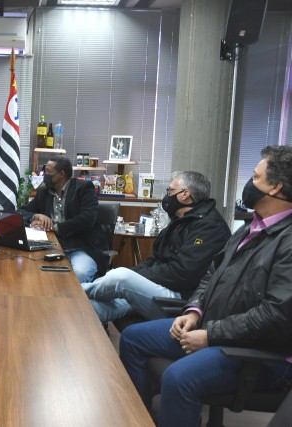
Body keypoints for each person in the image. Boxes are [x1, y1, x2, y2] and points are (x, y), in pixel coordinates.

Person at [119, 146, 292, 427]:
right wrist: (194, 311)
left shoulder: (287, 240)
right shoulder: (250, 228)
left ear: (275, 187)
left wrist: (211, 334)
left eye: (255, 176)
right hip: (212, 327)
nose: (249, 183)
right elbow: (212, 273)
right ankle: (137, 419)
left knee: (178, 377)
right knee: (133, 338)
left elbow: (276, 316)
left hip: (260, 354)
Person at [82, 171, 231, 323]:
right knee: (95, 306)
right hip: (160, 288)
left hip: (181, 298)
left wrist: (136, 277)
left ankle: (79, 291)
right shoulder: (180, 221)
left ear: (185, 194)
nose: (167, 196)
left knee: (121, 277)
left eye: (170, 191)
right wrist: (136, 274)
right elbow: (155, 258)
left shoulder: (210, 227)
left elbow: (183, 273)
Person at [18, 156, 108, 283]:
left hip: (81, 247)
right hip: (52, 247)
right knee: (32, 272)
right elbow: (20, 212)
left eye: (48, 172)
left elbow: (87, 219)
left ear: (61, 175)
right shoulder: (44, 192)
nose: (44, 174)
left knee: (79, 274)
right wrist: (36, 215)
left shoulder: (83, 188)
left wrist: (56, 227)